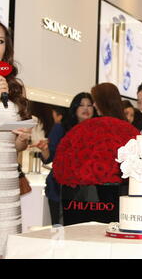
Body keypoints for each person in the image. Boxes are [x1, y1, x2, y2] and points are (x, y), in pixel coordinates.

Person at [0, 12, 31, 258]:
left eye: (0, 41)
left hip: (5, 186)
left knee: (1, 253)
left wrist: (21, 140)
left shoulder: (13, 86)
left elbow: (12, 145)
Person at [32, 93, 95, 225]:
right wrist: (45, 150)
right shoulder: (61, 128)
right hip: (60, 188)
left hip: (89, 189)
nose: (86, 108)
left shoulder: (97, 130)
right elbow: (49, 158)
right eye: (81, 105)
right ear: (74, 108)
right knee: (61, 229)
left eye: (89, 105)